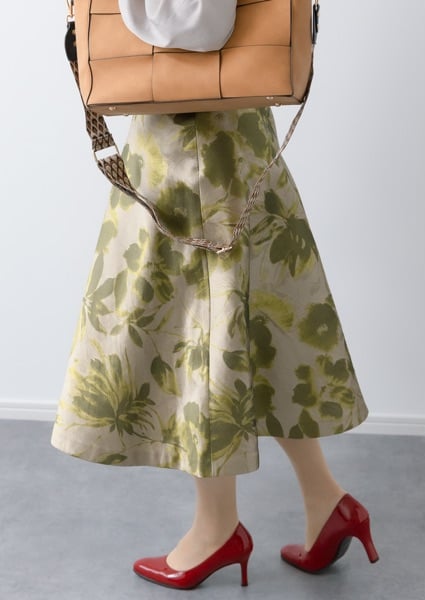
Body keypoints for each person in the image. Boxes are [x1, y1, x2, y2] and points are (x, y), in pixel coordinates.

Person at [50, 107, 378, 590]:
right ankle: (325, 499)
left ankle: (216, 527)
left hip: (185, 149)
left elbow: (187, 51)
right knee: (250, 324)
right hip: (243, 137)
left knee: (200, 327)